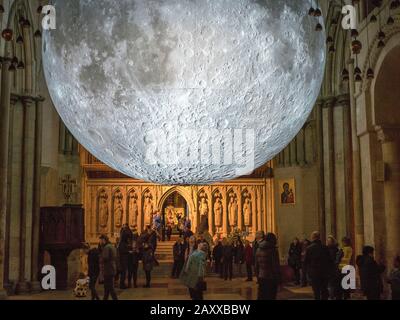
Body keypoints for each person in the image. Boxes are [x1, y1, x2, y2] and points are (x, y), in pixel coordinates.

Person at [304, 231, 334, 300]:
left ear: (312, 238)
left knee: (316, 291)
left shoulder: (309, 248)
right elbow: (330, 260)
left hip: (314, 272)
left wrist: (307, 272)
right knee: (324, 290)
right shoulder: (325, 247)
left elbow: (306, 262)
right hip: (324, 272)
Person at [256, 232, 281, 300]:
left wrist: (257, 276)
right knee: (271, 296)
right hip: (271, 277)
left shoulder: (258, 249)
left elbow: (256, 265)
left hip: (261, 276)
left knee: (262, 296)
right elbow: (275, 265)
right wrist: (278, 278)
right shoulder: (273, 250)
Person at [99, 234, 118, 300]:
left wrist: (100, 259)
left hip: (108, 270)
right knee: (107, 288)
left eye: (100, 240)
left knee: (110, 288)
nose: (100, 242)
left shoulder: (106, 247)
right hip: (111, 268)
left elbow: (105, 258)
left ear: (104, 240)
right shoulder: (111, 246)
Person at [118, 224, 132, 289]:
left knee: (123, 271)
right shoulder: (123, 243)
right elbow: (123, 251)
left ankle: (122, 283)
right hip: (123, 260)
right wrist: (128, 252)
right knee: (123, 271)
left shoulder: (121, 242)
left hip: (123, 259)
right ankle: (122, 284)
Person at [326, 235, 340, 299]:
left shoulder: (335, 249)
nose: (328, 242)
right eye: (327, 241)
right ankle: (331, 295)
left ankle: (332, 296)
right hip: (328, 268)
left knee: (332, 283)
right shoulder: (326, 249)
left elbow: (334, 259)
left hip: (333, 268)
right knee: (330, 283)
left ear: (332, 242)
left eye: (329, 241)